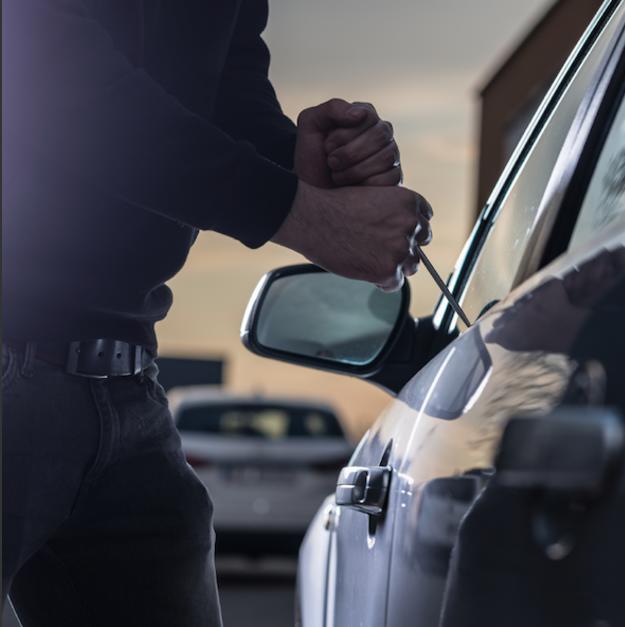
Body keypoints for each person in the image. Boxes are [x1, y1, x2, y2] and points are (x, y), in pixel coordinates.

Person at [1, 0, 431, 624]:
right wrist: (303, 216)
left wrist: (302, 165)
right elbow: (47, 69)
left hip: (126, 383)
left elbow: (222, 88)